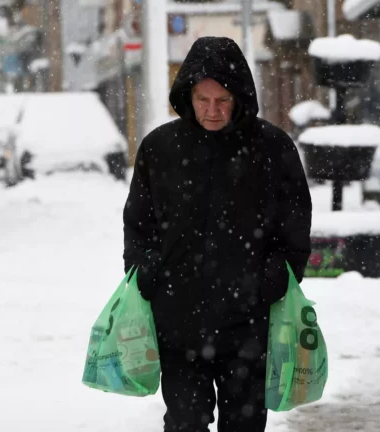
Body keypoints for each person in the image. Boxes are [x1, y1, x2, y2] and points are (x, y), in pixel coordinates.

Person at [123, 36, 312, 432]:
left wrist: (273, 278)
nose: (212, 111)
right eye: (202, 99)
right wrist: (146, 271)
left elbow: (294, 227)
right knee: (185, 424)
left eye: (222, 100)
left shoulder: (272, 149)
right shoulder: (160, 149)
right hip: (178, 323)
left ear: (239, 96)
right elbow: (138, 224)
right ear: (187, 96)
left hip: (248, 325)